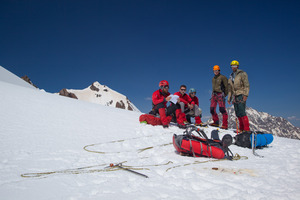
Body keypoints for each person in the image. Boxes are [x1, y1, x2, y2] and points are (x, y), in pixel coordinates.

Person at [227, 60, 250, 132]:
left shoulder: (242, 74)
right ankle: (241, 128)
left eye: (234, 66)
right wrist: (229, 98)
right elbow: (230, 89)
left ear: (237, 66)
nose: (233, 67)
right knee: (238, 112)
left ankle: (246, 129)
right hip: (235, 96)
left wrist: (245, 94)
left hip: (241, 94)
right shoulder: (231, 77)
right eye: (232, 66)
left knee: (242, 111)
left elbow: (246, 85)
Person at [210, 65, 229, 129]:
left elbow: (226, 86)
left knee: (222, 109)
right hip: (214, 95)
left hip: (220, 94)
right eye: (215, 70)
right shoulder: (213, 78)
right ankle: (216, 122)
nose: (216, 72)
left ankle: (225, 124)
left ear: (219, 71)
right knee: (212, 109)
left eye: (217, 70)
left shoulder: (223, 77)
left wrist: (225, 94)